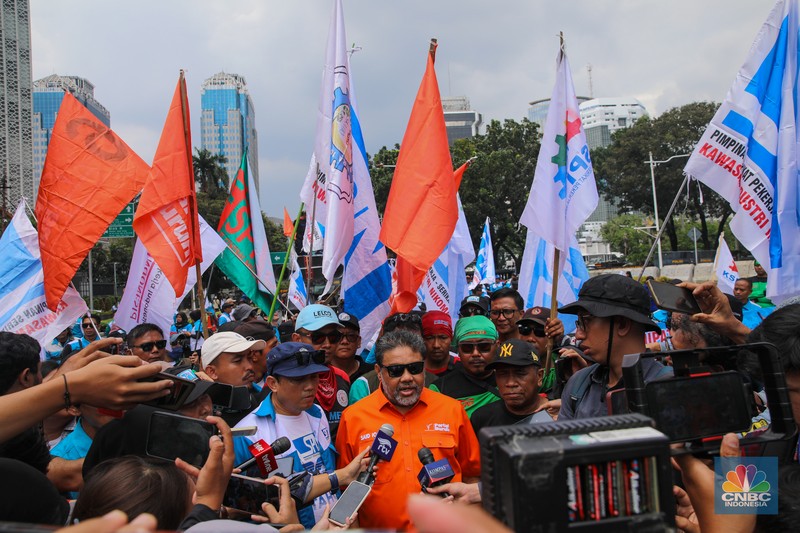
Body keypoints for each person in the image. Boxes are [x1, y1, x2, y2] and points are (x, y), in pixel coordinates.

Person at [336, 330, 481, 530]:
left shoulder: (452, 410)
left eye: (414, 368)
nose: (407, 378)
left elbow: (473, 476)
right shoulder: (353, 418)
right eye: (396, 370)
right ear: (378, 371)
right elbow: (347, 488)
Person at [233, 342, 349, 529]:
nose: (310, 386)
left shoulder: (317, 413)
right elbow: (242, 506)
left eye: (314, 377)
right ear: (273, 383)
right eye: (298, 379)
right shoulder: (247, 434)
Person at [557, 274, 673, 420]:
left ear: (623, 324)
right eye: (578, 323)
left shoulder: (670, 388)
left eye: (585, 322)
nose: (578, 335)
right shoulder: (578, 385)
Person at [470, 338, 552, 437]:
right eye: (503, 374)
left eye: (520, 374)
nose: (511, 383)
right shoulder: (481, 418)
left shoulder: (558, 414)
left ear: (539, 376)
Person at [291, 304, 350, 441]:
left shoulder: (341, 377)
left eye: (334, 337)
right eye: (318, 337)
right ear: (297, 339)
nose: (327, 344)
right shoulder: (283, 383)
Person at [430, 315, 501, 418]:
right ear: (458, 350)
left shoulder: (510, 381)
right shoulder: (440, 389)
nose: (475, 353)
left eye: (484, 346)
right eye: (467, 347)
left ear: (497, 346)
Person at [232, 320, 279, 392]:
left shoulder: (280, 378)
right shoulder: (239, 391)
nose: (280, 348)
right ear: (254, 355)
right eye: (274, 346)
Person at [330, 312, 371, 381]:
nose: (344, 341)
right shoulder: (320, 374)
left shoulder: (372, 373)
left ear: (359, 341)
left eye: (351, 336)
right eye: (338, 336)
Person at [422, 310, 459, 377]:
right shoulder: (413, 369)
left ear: (452, 338)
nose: (436, 345)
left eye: (443, 338)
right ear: (422, 339)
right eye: (430, 338)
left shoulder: (464, 367)